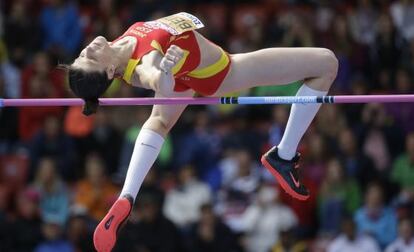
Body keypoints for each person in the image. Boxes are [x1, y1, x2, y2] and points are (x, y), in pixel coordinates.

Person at [66, 12, 338, 251]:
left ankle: (127, 195)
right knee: (326, 63)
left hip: (186, 76)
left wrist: (168, 74)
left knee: (160, 121)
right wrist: (164, 74)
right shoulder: (144, 62)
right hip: (222, 72)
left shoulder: (116, 46)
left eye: (81, 55)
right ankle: (285, 154)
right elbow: (152, 76)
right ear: (111, 70)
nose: (86, 50)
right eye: (90, 57)